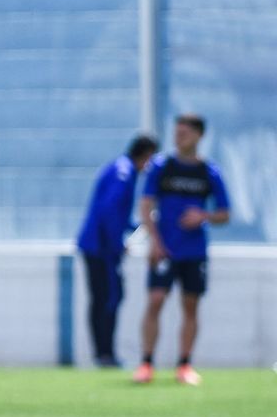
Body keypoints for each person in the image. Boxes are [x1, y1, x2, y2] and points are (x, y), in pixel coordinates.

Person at [133, 115, 230, 386]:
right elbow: (145, 206)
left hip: (194, 251)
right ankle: (146, 363)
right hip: (165, 250)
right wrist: (155, 241)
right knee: (155, 301)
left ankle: (185, 364)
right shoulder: (162, 167)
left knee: (191, 306)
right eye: (176, 133)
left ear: (199, 136)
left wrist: (204, 217)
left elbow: (225, 213)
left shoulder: (209, 172)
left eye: (185, 133)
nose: (179, 138)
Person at [76, 134, 159, 367]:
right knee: (108, 298)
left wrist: (136, 225)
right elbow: (109, 212)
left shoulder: (118, 168)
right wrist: (116, 244)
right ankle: (104, 354)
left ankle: (103, 352)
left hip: (97, 245)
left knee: (104, 298)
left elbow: (117, 214)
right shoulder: (123, 173)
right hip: (101, 248)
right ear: (147, 155)